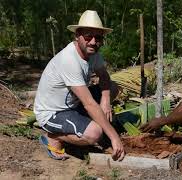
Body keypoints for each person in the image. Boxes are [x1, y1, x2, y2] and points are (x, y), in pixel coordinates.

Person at [34, 10, 125, 161]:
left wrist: (105, 99)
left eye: (98, 37)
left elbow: (104, 76)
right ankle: (53, 137)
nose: (93, 41)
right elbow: (89, 104)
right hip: (53, 112)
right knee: (94, 133)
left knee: (112, 87)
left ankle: (88, 122)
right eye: (88, 36)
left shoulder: (93, 54)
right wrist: (115, 137)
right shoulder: (69, 60)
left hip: (73, 104)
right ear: (77, 35)